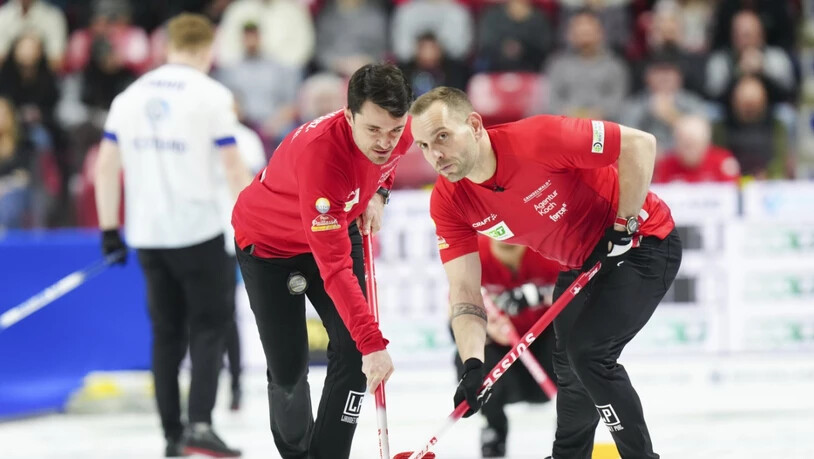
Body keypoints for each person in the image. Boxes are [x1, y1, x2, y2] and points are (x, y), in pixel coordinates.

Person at [410, 87, 682, 459]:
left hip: (642, 243)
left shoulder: (538, 138)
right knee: (569, 368)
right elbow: (465, 291)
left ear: (473, 125)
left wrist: (624, 224)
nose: (435, 155)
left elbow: (639, 144)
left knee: (588, 355)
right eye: (424, 146)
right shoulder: (448, 202)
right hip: (580, 263)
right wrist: (473, 363)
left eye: (442, 136)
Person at [231, 63, 413, 459]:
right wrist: (374, 344)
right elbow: (334, 269)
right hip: (270, 247)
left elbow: (391, 159)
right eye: (373, 130)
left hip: (337, 222)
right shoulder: (322, 158)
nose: (385, 142)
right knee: (289, 372)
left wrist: (379, 193)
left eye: (394, 131)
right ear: (348, 116)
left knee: (352, 351)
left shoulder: (401, 129)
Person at [94, 13, 251, 458]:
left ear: (167, 47)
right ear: (207, 50)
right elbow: (233, 167)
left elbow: (106, 166)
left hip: (148, 233)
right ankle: (199, 425)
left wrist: (109, 229)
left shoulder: (129, 97)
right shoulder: (212, 95)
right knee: (209, 328)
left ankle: (171, 434)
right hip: (199, 230)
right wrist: (252, 223)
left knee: (165, 335)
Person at [460, 236, 560, 457]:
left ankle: (571, 433)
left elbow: (579, 292)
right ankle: (494, 428)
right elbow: (457, 309)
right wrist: (486, 328)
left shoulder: (547, 248)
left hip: (545, 349)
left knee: (574, 342)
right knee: (469, 353)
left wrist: (539, 295)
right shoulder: (473, 254)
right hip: (504, 356)